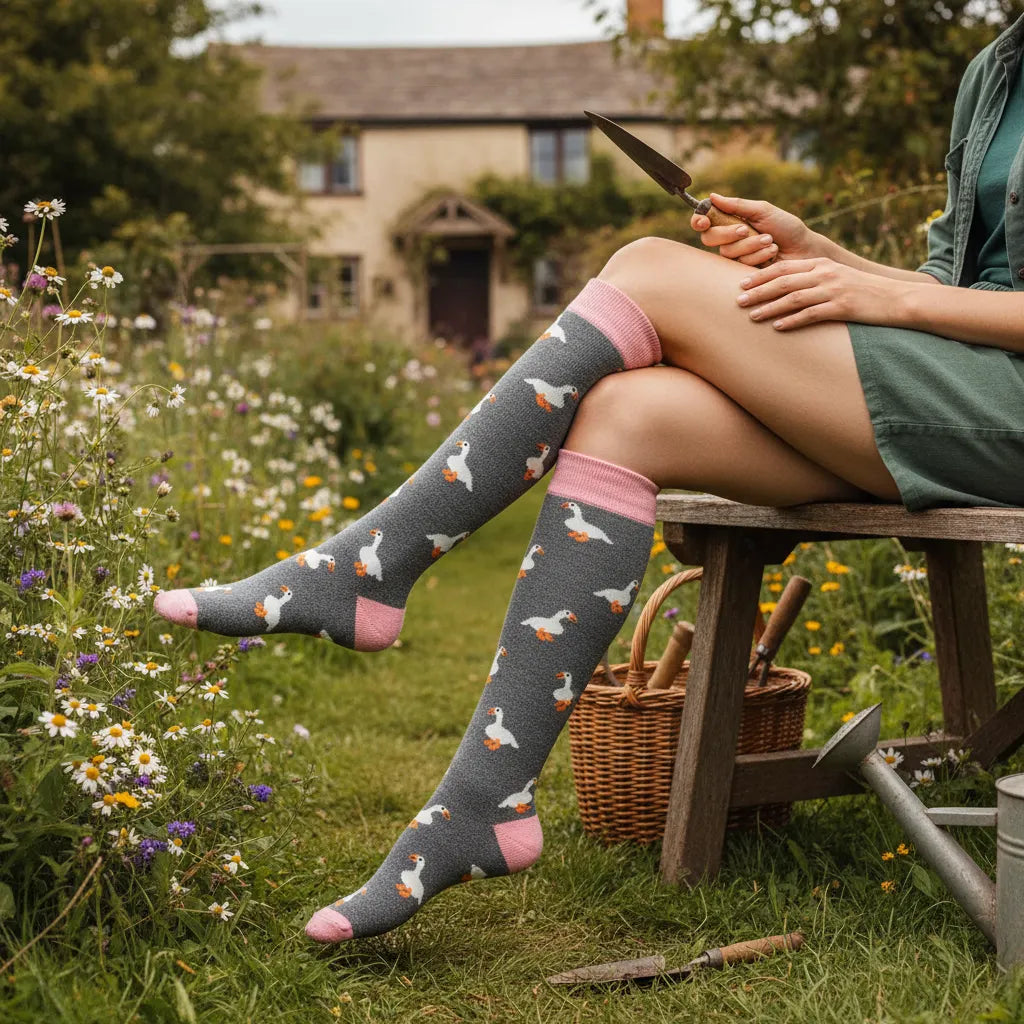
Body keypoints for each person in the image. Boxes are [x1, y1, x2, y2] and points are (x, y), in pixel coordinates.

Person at [155, 12, 1024, 944]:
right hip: (965, 390)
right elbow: (954, 288)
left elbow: (924, 303)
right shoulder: (997, 68)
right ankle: (486, 800)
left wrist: (891, 298)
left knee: (648, 268)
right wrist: (826, 257)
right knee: (626, 415)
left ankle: (367, 567)